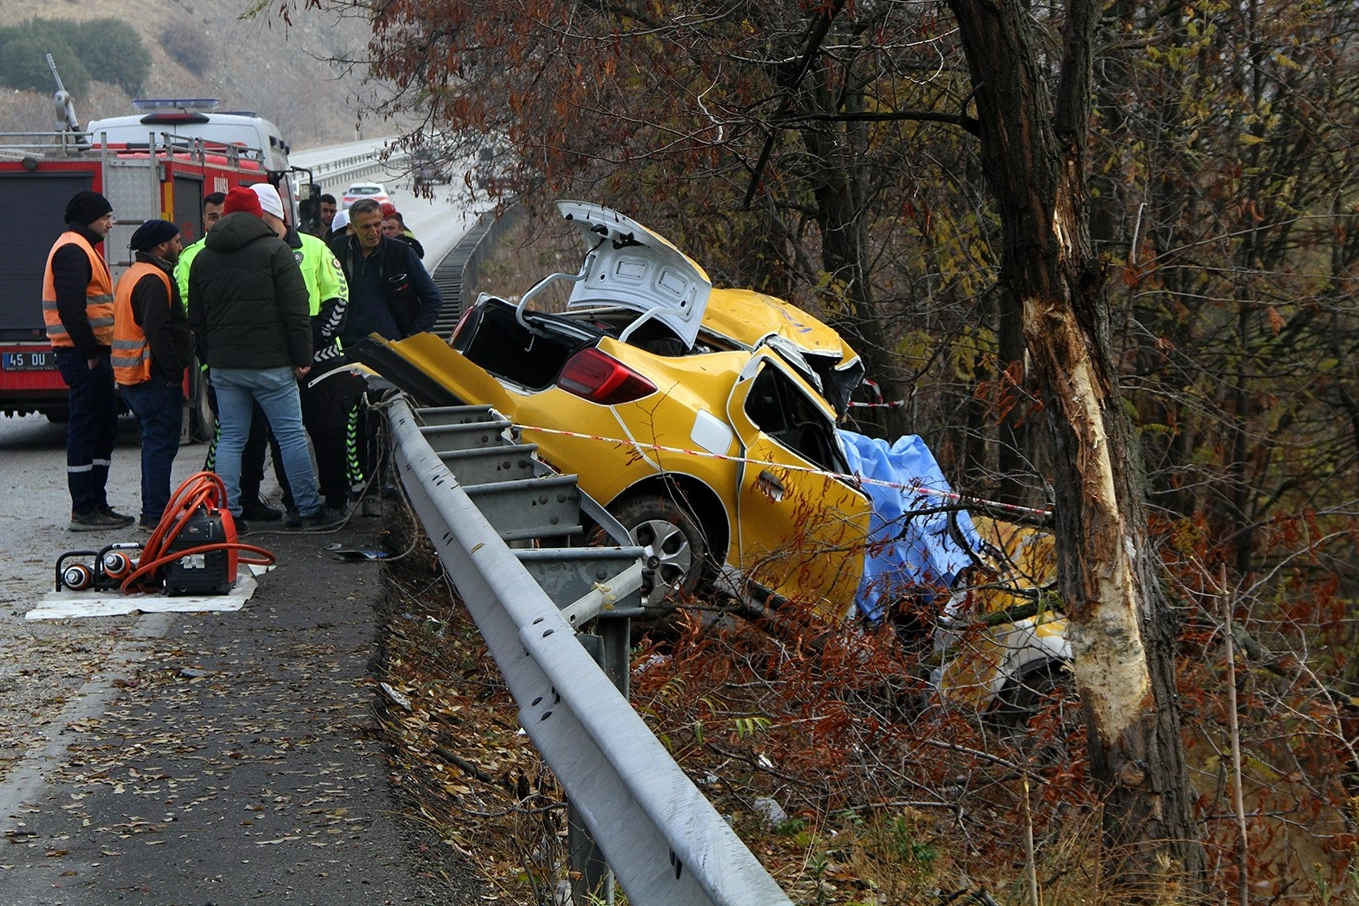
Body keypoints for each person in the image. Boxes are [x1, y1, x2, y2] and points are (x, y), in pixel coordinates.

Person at [187, 186, 339, 530]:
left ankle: (227, 513)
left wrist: (212, 358)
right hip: (272, 365)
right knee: (290, 436)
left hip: (226, 367)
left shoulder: (203, 258)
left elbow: (196, 319)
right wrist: (302, 357)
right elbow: (297, 311)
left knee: (230, 439)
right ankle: (307, 509)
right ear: (259, 214)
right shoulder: (276, 252)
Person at [176, 192, 286, 522]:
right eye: (212, 216)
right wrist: (210, 359)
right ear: (204, 220)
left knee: (254, 438)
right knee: (232, 437)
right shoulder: (194, 256)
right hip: (224, 364)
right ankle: (218, 505)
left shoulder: (258, 249)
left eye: (223, 214)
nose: (220, 221)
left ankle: (246, 500)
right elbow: (191, 313)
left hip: (244, 359)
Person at [247, 182, 355, 514]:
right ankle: (296, 504)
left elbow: (339, 298)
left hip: (322, 361)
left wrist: (309, 349)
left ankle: (336, 499)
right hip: (277, 363)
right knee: (283, 438)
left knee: (329, 434)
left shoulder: (314, 248)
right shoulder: (251, 254)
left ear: (268, 214)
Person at [330, 197, 443, 496]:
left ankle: (387, 481)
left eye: (378, 224)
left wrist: (412, 341)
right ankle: (359, 484)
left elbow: (432, 299)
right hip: (349, 349)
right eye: (366, 226)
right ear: (353, 228)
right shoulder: (339, 252)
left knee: (385, 419)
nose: (374, 231)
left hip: (390, 353)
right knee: (350, 420)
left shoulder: (399, 254)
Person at [42, 190, 136, 531]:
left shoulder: (81, 247)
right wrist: (90, 353)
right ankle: (84, 508)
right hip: (82, 354)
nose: (110, 224)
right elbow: (70, 309)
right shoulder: (72, 249)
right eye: (106, 217)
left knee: (103, 426)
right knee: (85, 429)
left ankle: (96, 502)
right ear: (88, 218)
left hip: (90, 353)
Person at [112, 220, 191, 530]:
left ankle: (153, 512)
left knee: (153, 445)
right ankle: (157, 514)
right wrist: (174, 373)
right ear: (161, 246)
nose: (180, 246)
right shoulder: (154, 279)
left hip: (133, 375)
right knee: (160, 446)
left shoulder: (132, 275)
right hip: (152, 377)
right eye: (176, 240)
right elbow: (157, 331)